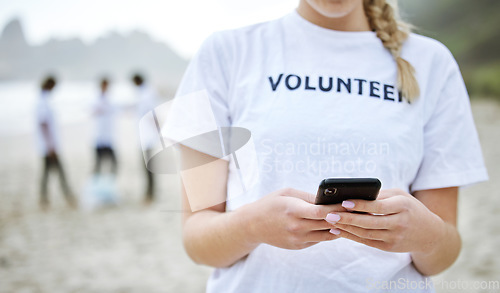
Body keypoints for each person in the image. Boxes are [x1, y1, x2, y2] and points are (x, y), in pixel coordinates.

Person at [163, 0, 489, 292]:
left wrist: (423, 233)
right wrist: (251, 226)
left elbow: (443, 251)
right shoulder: (225, 53)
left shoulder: (433, 63)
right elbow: (197, 239)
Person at [36, 75, 77, 209]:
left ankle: (45, 199)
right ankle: (67, 196)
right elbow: (43, 124)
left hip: (49, 146)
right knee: (58, 172)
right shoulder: (42, 101)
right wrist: (50, 146)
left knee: (48, 173)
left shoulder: (44, 100)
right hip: (49, 147)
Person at [131, 73, 158, 204]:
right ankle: (149, 193)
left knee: (148, 167)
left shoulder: (146, 95)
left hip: (147, 137)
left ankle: (150, 194)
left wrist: (157, 130)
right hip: (144, 136)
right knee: (147, 167)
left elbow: (151, 114)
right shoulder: (144, 93)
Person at [93, 77, 118, 175]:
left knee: (113, 163)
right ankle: (97, 184)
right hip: (99, 136)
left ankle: (110, 182)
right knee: (98, 163)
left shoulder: (110, 99)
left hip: (108, 137)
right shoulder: (96, 99)